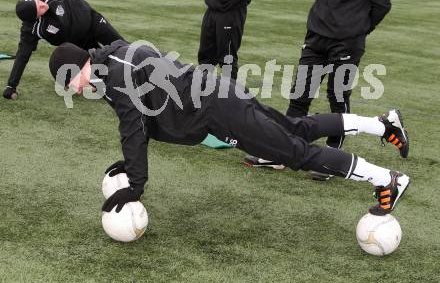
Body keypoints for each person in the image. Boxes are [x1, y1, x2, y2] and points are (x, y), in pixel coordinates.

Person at [49, 40, 410, 216]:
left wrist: (136, 186)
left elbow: (132, 127)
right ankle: (381, 124)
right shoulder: (108, 61)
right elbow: (140, 122)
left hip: (219, 111)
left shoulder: (113, 75)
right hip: (219, 93)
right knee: (295, 129)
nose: (74, 90)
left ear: (74, 67)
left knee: (295, 153)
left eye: (69, 83)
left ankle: (386, 180)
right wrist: (130, 164)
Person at [244, 0, 396, 178]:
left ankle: (333, 162)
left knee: (338, 97)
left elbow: (383, 3)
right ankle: (281, 154)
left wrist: (358, 29)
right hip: (316, 37)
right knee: (299, 96)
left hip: (346, 41)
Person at [2, 0, 124, 100]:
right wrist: (11, 85)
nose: (42, 6)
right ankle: (115, 84)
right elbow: (22, 56)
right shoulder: (30, 30)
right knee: (100, 69)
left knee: (122, 47)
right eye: (39, 10)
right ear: (34, 19)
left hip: (91, 20)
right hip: (79, 43)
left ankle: (146, 70)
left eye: (38, 3)